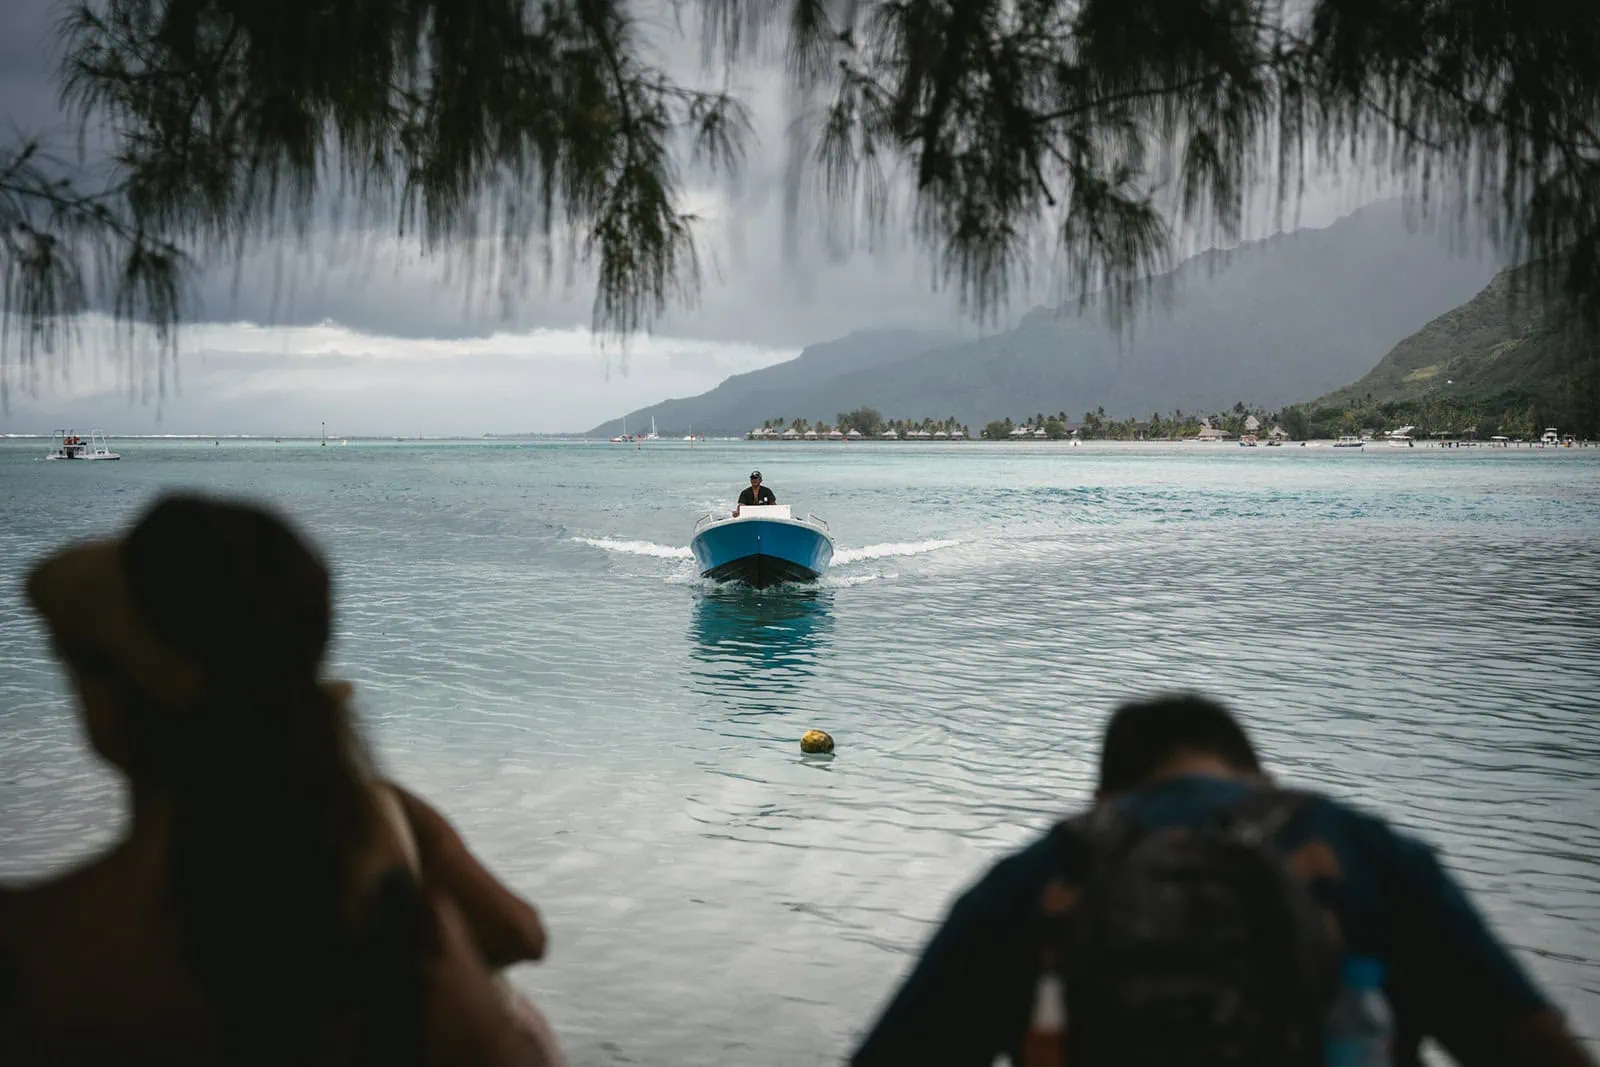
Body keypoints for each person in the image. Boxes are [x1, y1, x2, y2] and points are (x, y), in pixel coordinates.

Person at [0, 493, 562, 1067]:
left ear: (113, 707)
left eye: (77, 665)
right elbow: (522, 939)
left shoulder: (33, 953)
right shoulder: (388, 885)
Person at [850, 694, 1596, 1067]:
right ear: (1261, 779)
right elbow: (1534, 1046)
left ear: (1105, 797)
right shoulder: (1362, 849)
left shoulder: (1044, 871)